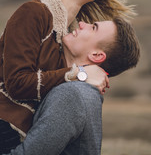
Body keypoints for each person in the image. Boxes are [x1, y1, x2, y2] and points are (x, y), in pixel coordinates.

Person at [0, 0, 136, 153]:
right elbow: (17, 83)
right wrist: (79, 73)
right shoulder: (34, 13)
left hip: (21, 135)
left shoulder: (66, 38)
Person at [3, 17, 140, 155]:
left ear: (96, 55)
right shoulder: (81, 91)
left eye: (93, 27)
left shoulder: (72, 95)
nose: (81, 24)